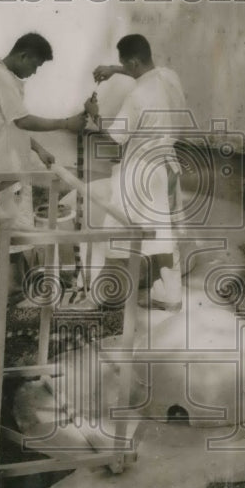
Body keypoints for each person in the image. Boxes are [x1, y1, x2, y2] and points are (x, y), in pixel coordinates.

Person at [85, 34, 189, 311]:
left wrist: (95, 114)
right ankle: (170, 294)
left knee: (119, 228)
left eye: (124, 64)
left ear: (132, 62)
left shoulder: (137, 96)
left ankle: (111, 295)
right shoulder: (169, 77)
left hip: (141, 173)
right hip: (167, 165)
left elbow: (114, 138)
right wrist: (114, 70)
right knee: (162, 232)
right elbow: (144, 71)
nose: (123, 68)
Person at [0, 32, 87, 224]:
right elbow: (23, 121)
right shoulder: (1, 78)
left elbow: (13, 126)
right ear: (23, 56)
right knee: (12, 232)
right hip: (1, 165)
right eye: (35, 65)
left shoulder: (3, 76)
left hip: (5, 161)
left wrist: (39, 149)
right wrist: (66, 123)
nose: (34, 72)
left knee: (13, 231)